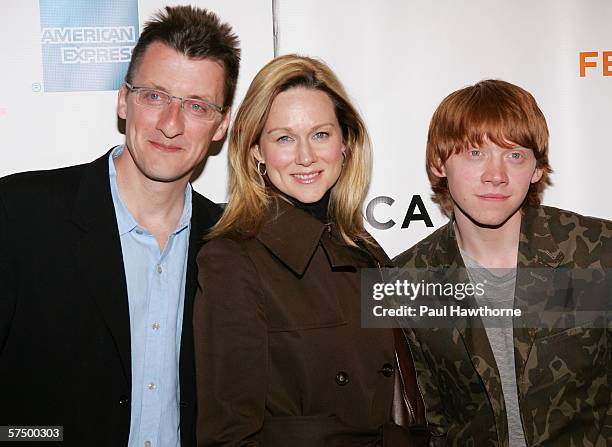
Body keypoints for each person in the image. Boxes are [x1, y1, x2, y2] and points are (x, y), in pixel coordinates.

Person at [0, 6, 240, 446]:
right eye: (154, 96)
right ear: (122, 100)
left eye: (197, 105)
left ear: (222, 124)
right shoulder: (18, 216)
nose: (171, 124)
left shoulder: (233, 244)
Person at [193, 54, 428, 446]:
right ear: (256, 150)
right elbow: (228, 435)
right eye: (284, 137)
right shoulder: (233, 260)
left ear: (346, 142)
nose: (306, 156)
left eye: (320, 134)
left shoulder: (361, 246)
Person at [394, 80, 612, 446]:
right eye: (475, 153)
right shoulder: (405, 281)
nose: (496, 175)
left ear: (537, 169)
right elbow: (428, 427)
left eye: (515, 155)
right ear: (439, 163)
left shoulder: (598, 252)